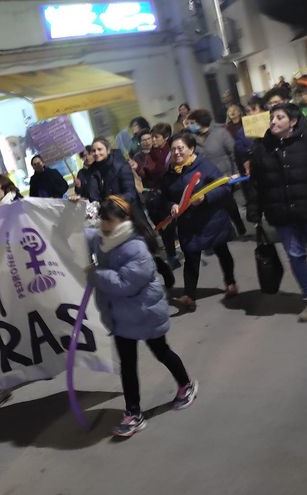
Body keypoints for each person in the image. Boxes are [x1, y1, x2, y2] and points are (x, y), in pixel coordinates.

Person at [85, 196, 198, 437]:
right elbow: (81, 235)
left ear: (124, 221)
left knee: (161, 352)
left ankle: (186, 385)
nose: (104, 226)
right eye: (102, 221)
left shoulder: (137, 247)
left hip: (144, 312)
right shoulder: (103, 237)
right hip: (120, 315)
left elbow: (125, 284)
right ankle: (133, 413)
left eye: (109, 222)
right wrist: (66, 214)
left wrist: (95, 273)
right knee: (127, 364)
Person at [249, 103, 307, 322]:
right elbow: (256, 184)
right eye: (272, 118)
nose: (273, 121)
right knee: (295, 255)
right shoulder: (262, 149)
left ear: (292, 121)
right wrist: (255, 210)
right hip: (281, 213)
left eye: (280, 117)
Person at [162, 133, 238, 311]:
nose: (177, 153)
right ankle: (189, 296)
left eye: (180, 148)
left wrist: (206, 197)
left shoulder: (204, 166)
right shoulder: (170, 173)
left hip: (211, 220)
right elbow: (164, 197)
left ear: (191, 149)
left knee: (222, 250)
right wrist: (171, 205)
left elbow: (224, 187)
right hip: (188, 223)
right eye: (173, 149)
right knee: (191, 257)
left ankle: (231, 283)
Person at [185, 109, 247, 235]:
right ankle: (224, 230)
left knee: (228, 202)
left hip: (224, 175)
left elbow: (233, 153)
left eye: (192, 123)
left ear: (200, 122)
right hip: (206, 178)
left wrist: (235, 171)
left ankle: (239, 225)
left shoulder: (221, 133)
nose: (190, 126)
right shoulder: (192, 139)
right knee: (214, 206)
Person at [137, 123, 180, 268]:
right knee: (164, 227)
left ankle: (178, 253)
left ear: (165, 138)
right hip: (156, 196)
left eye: (156, 137)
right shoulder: (151, 154)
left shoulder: (173, 152)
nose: (152, 140)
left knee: (174, 225)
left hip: (171, 193)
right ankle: (172, 256)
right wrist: (138, 168)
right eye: (152, 137)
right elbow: (146, 173)